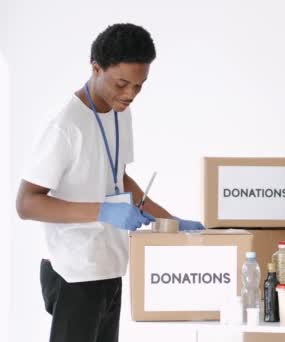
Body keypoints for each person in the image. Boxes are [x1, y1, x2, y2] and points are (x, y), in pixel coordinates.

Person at [15, 23, 203, 342]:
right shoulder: (64, 125)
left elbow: (119, 177)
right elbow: (27, 203)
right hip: (73, 271)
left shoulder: (120, 112)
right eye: (122, 83)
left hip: (110, 267)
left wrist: (169, 220)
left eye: (139, 86)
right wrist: (103, 211)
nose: (130, 94)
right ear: (96, 68)